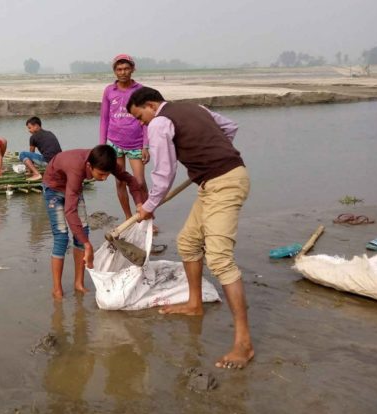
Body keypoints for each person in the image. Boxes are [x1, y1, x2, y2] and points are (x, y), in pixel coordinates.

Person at [127, 86, 254, 370]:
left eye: (140, 117)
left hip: (224, 184)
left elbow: (164, 171)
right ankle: (194, 304)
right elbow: (230, 128)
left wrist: (149, 206)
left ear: (149, 105)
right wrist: (213, 154)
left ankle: (244, 343)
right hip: (215, 181)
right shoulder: (196, 108)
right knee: (188, 242)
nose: (141, 123)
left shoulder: (159, 122)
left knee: (220, 259)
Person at [42, 145, 145, 300]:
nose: (104, 179)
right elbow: (70, 211)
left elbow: (130, 180)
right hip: (54, 188)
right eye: (101, 174)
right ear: (89, 166)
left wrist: (139, 203)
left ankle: (79, 284)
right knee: (61, 237)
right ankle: (57, 289)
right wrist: (87, 244)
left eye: (107, 175)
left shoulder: (106, 161)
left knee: (83, 233)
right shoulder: (77, 169)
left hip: (73, 189)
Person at [99, 54, 150, 223]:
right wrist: (102, 145)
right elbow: (104, 119)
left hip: (135, 143)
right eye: (119, 69)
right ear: (114, 71)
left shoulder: (140, 90)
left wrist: (146, 145)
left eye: (126, 68)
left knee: (140, 182)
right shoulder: (109, 90)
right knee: (120, 182)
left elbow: (146, 120)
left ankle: (147, 215)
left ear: (133, 69)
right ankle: (129, 217)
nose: (123, 72)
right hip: (114, 143)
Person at [20, 116, 62, 181]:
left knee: (22, 154)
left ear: (36, 126)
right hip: (59, 162)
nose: (29, 130)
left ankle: (36, 174)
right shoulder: (49, 133)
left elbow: (31, 152)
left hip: (48, 162)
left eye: (30, 128)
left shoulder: (33, 137)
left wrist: (29, 170)